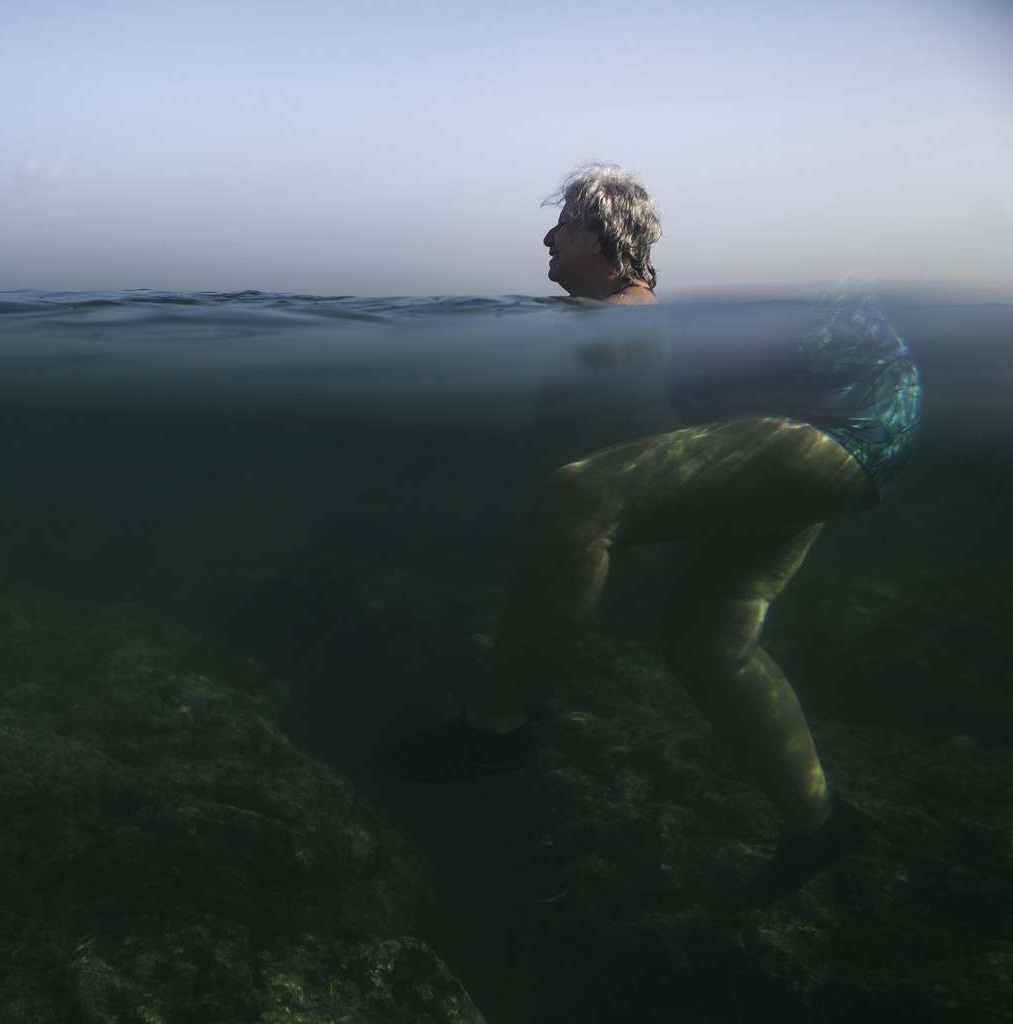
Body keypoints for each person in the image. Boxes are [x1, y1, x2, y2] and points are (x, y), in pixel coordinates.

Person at [377, 163, 921, 900]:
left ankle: (494, 730)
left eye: (563, 225)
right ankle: (817, 822)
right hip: (847, 433)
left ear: (604, 239)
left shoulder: (632, 314)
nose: (545, 236)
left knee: (579, 497)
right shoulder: (645, 316)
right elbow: (666, 446)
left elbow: (619, 478)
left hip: (838, 425)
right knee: (706, 639)